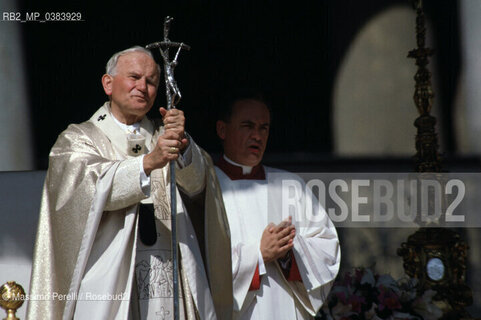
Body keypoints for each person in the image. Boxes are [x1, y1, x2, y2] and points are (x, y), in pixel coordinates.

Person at [27, 46, 232, 320]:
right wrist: (147, 163)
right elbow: (83, 192)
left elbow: (198, 188)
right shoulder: (77, 139)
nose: (143, 87)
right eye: (134, 77)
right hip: (109, 278)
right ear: (108, 84)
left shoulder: (165, 134)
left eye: (151, 82)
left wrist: (183, 147)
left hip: (168, 271)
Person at [215, 92, 340, 319]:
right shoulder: (205, 187)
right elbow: (196, 261)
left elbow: (328, 249)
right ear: (222, 130)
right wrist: (259, 254)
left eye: (264, 128)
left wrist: (290, 253)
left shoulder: (291, 186)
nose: (257, 135)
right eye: (247, 126)